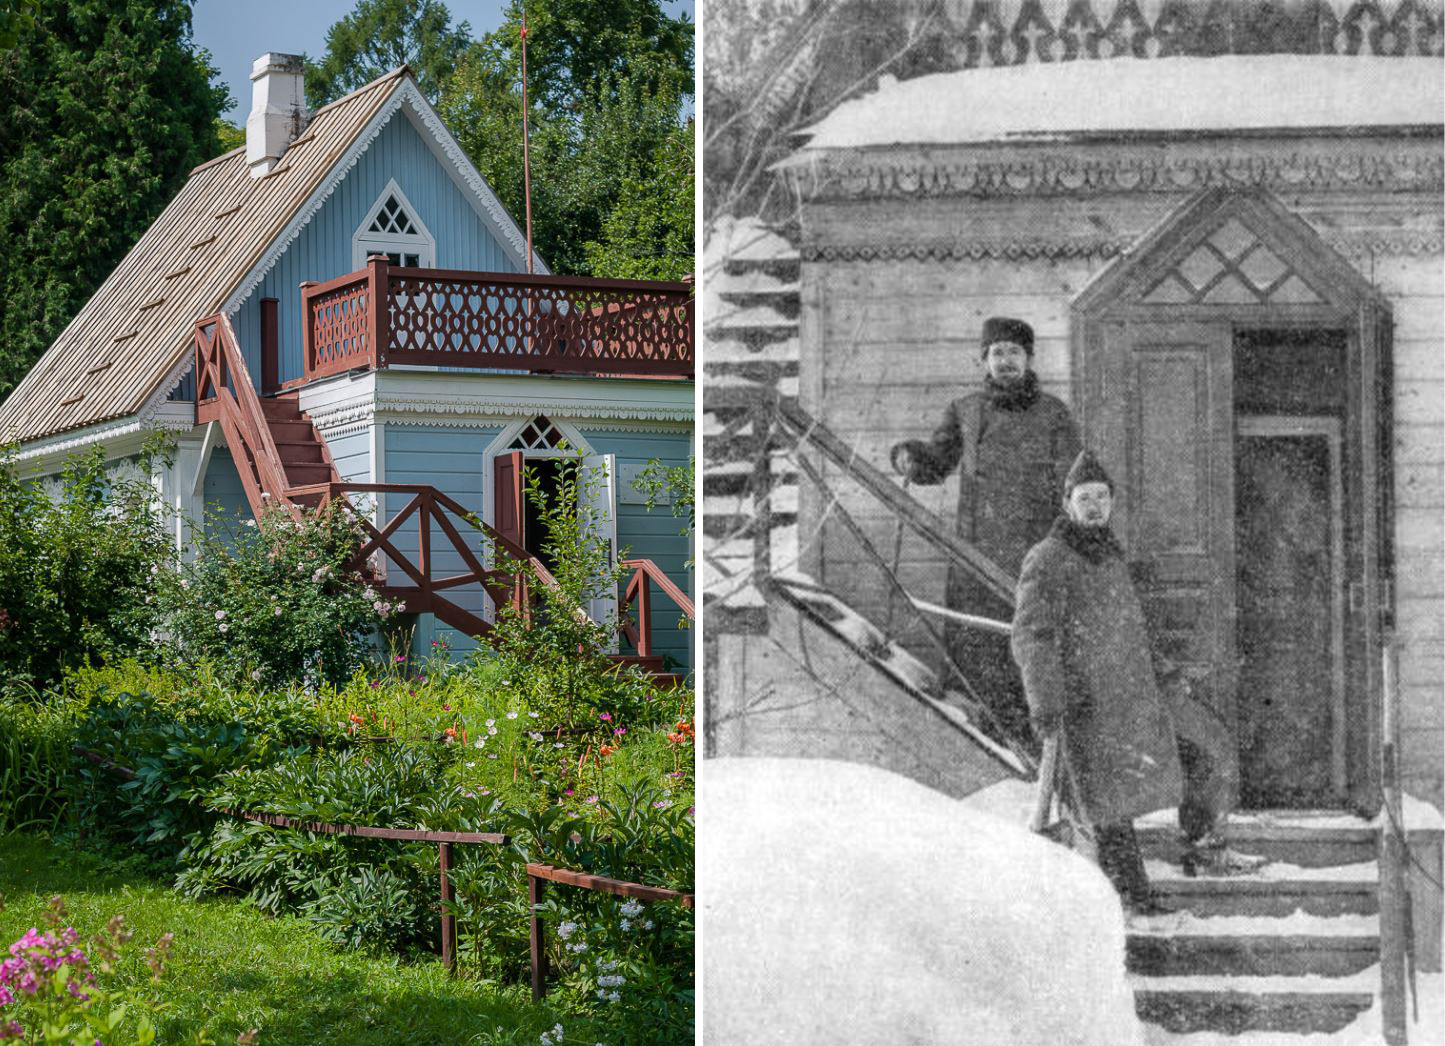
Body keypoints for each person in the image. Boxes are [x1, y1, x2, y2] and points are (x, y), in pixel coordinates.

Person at [1010, 450, 1265, 914]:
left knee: (1207, 749)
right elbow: (1032, 635)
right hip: (1087, 709)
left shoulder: (1109, 556)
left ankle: (1201, 845)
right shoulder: (1047, 558)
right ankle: (1135, 901)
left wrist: (1167, 677)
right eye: (1084, 498)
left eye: (1102, 498)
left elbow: (1134, 632)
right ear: (1067, 502)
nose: (1094, 506)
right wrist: (1045, 702)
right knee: (1109, 811)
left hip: (1133, 699)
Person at [891, 317, 1080, 749]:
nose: (1006, 361)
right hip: (975, 559)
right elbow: (938, 461)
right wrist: (911, 458)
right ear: (984, 360)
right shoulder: (966, 410)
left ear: (1029, 359)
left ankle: (1038, 753)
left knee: (1033, 655)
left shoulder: (1054, 414)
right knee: (976, 651)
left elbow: (1073, 484)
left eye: (1015, 352)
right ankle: (982, 747)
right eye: (997, 353)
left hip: (1036, 560)